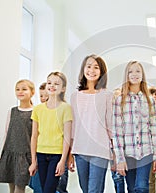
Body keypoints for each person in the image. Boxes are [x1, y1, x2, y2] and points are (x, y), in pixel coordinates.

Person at [112, 61, 156, 193]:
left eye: (138, 71)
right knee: (132, 188)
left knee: (142, 187)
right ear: (126, 76)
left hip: (146, 151)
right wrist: (120, 159)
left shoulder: (150, 100)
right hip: (128, 153)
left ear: (142, 75)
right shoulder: (119, 101)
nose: (134, 74)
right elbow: (117, 132)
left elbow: (154, 129)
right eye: (131, 71)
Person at [68, 54, 113, 193]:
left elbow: (110, 124)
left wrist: (115, 152)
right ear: (83, 69)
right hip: (80, 149)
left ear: (101, 72)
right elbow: (73, 126)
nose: (91, 70)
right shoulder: (75, 96)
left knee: (94, 190)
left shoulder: (107, 95)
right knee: (85, 189)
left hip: (100, 150)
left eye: (96, 67)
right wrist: (70, 152)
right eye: (88, 66)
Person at [29, 72, 72, 193]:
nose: (52, 86)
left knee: (48, 190)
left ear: (63, 88)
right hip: (41, 154)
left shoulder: (66, 108)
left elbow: (67, 137)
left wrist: (63, 161)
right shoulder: (38, 109)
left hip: (57, 156)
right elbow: (34, 136)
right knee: (44, 189)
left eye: (56, 83)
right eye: (49, 83)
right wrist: (33, 161)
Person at [0, 79, 35, 193]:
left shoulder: (36, 112)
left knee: (20, 188)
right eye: (17, 89)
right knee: (11, 188)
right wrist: (1, 155)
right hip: (10, 154)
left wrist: (34, 160)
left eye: (24, 89)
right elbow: (6, 133)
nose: (20, 92)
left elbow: (36, 137)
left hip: (25, 156)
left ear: (32, 92)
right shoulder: (12, 111)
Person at [29, 83, 48, 193]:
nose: (44, 98)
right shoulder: (37, 111)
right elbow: (34, 135)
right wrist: (33, 160)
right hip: (39, 152)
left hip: (53, 153)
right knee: (37, 184)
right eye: (41, 96)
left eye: (46, 96)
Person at [111, 87, 125, 193]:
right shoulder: (110, 116)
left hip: (126, 149)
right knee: (116, 177)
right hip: (113, 149)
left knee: (124, 175)